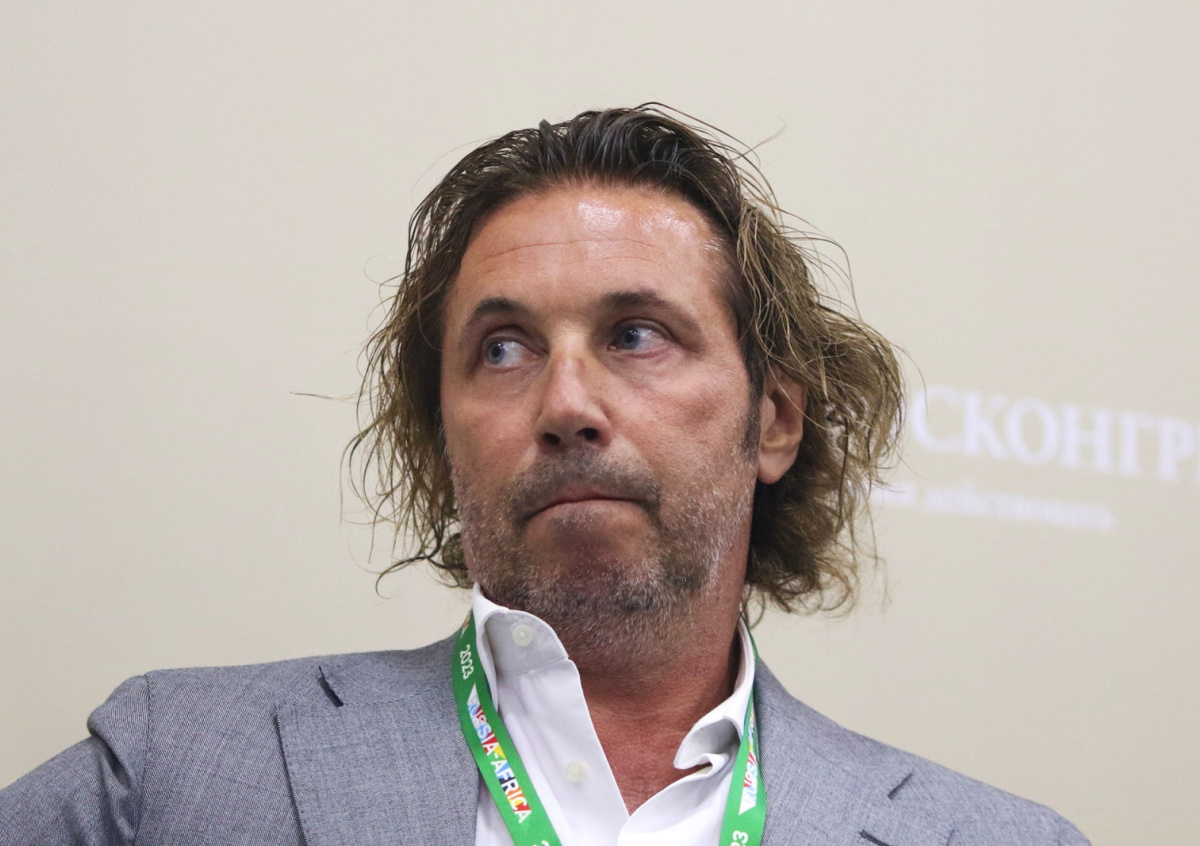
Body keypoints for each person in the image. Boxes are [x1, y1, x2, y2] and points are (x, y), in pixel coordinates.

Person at [0, 105, 1089, 846]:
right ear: (444, 434)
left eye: (637, 334)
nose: (566, 403)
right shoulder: (174, 768)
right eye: (504, 349)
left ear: (774, 421)